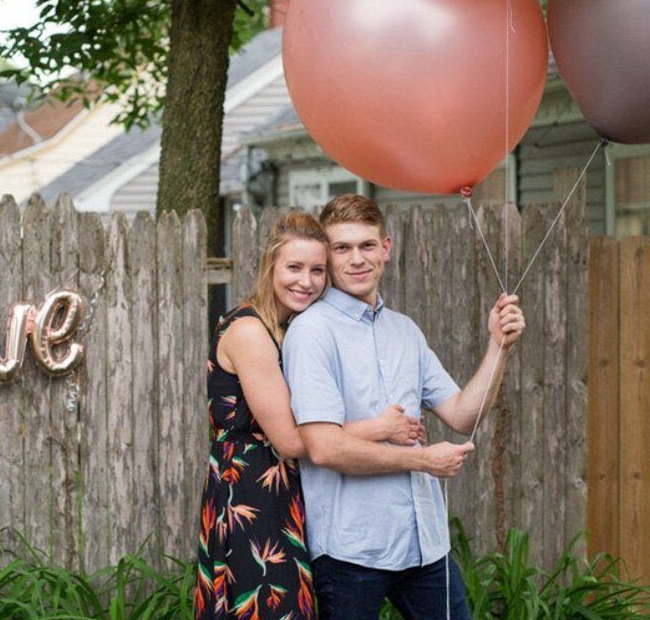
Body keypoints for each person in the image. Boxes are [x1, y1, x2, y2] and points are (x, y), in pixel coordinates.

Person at [283, 194, 526, 620]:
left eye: (367, 245)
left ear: (386, 249)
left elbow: (461, 414)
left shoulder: (406, 331)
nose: (357, 259)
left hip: (424, 544)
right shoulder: (312, 332)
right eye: (342, 248)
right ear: (329, 255)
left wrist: (498, 347)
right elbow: (324, 448)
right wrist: (421, 461)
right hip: (350, 550)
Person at [194, 211, 426, 620]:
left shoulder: (292, 329)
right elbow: (288, 440)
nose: (306, 281)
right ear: (271, 266)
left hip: (286, 492)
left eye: (317, 270)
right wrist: (380, 427)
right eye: (294, 268)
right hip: (251, 495)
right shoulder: (250, 331)